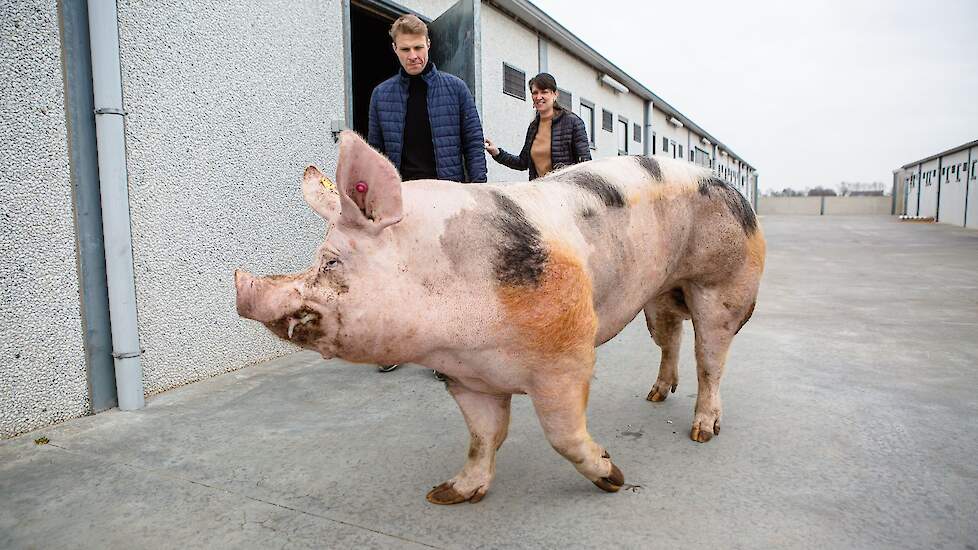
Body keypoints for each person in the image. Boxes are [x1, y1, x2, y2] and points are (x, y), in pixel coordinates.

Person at [369, 14, 486, 377]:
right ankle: (398, 344)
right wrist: (374, 201)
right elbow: (375, 153)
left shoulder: (456, 89)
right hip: (403, 199)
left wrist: (478, 191)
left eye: (418, 48)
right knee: (400, 272)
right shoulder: (382, 95)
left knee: (447, 275)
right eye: (405, 50)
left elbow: (472, 141)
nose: (413, 56)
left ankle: (444, 355)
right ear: (395, 50)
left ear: (429, 45)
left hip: (447, 197)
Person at [484, 73, 591, 180]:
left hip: (565, 194)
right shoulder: (533, 127)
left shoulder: (573, 123)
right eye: (535, 93)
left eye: (544, 92)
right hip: (537, 193)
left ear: (555, 94)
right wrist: (497, 153)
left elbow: (585, 166)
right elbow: (522, 163)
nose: (539, 97)